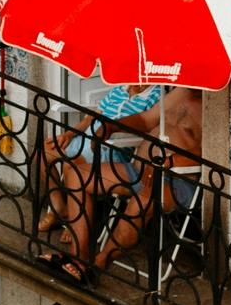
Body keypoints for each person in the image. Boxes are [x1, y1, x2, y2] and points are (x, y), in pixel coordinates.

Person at [43, 87, 202, 280]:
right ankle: (78, 260)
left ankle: (97, 266)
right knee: (79, 175)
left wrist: (170, 162)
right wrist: (112, 126)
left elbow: (211, 153)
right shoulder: (181, 92)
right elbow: (145, 120)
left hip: (176, 180)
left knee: (143, 200)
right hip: (139, 170)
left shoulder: (212, 107)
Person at [37, 82, 162, 232]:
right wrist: (68, 135)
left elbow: (150, 129)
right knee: (43, 153)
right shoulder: (119, 89)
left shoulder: (156, 95)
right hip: (86, 139)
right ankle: (59, 209)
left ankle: (75, 223)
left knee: (72, 166)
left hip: (111, 148)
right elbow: (89, 119)